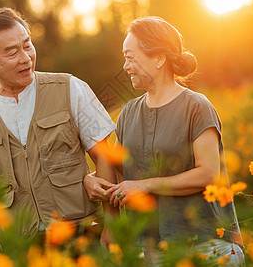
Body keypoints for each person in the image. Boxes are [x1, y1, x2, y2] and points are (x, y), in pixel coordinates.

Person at [0, 8, 117, 246]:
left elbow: (105, 156)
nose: (25, 58)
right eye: (11, 52)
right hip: (20, 246)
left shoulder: (71, 88)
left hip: (83, 234)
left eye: (27, 45)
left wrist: (110, 227)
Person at [104, 16, 244, 265]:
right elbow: (118, 172)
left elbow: (208, 174)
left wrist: (145, 185)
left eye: (130, 56)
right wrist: (90, 180)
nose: (125, 66)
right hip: (151, 250)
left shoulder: (197, 107)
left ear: (159, 58)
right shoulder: (128, 113)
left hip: (206, 247)